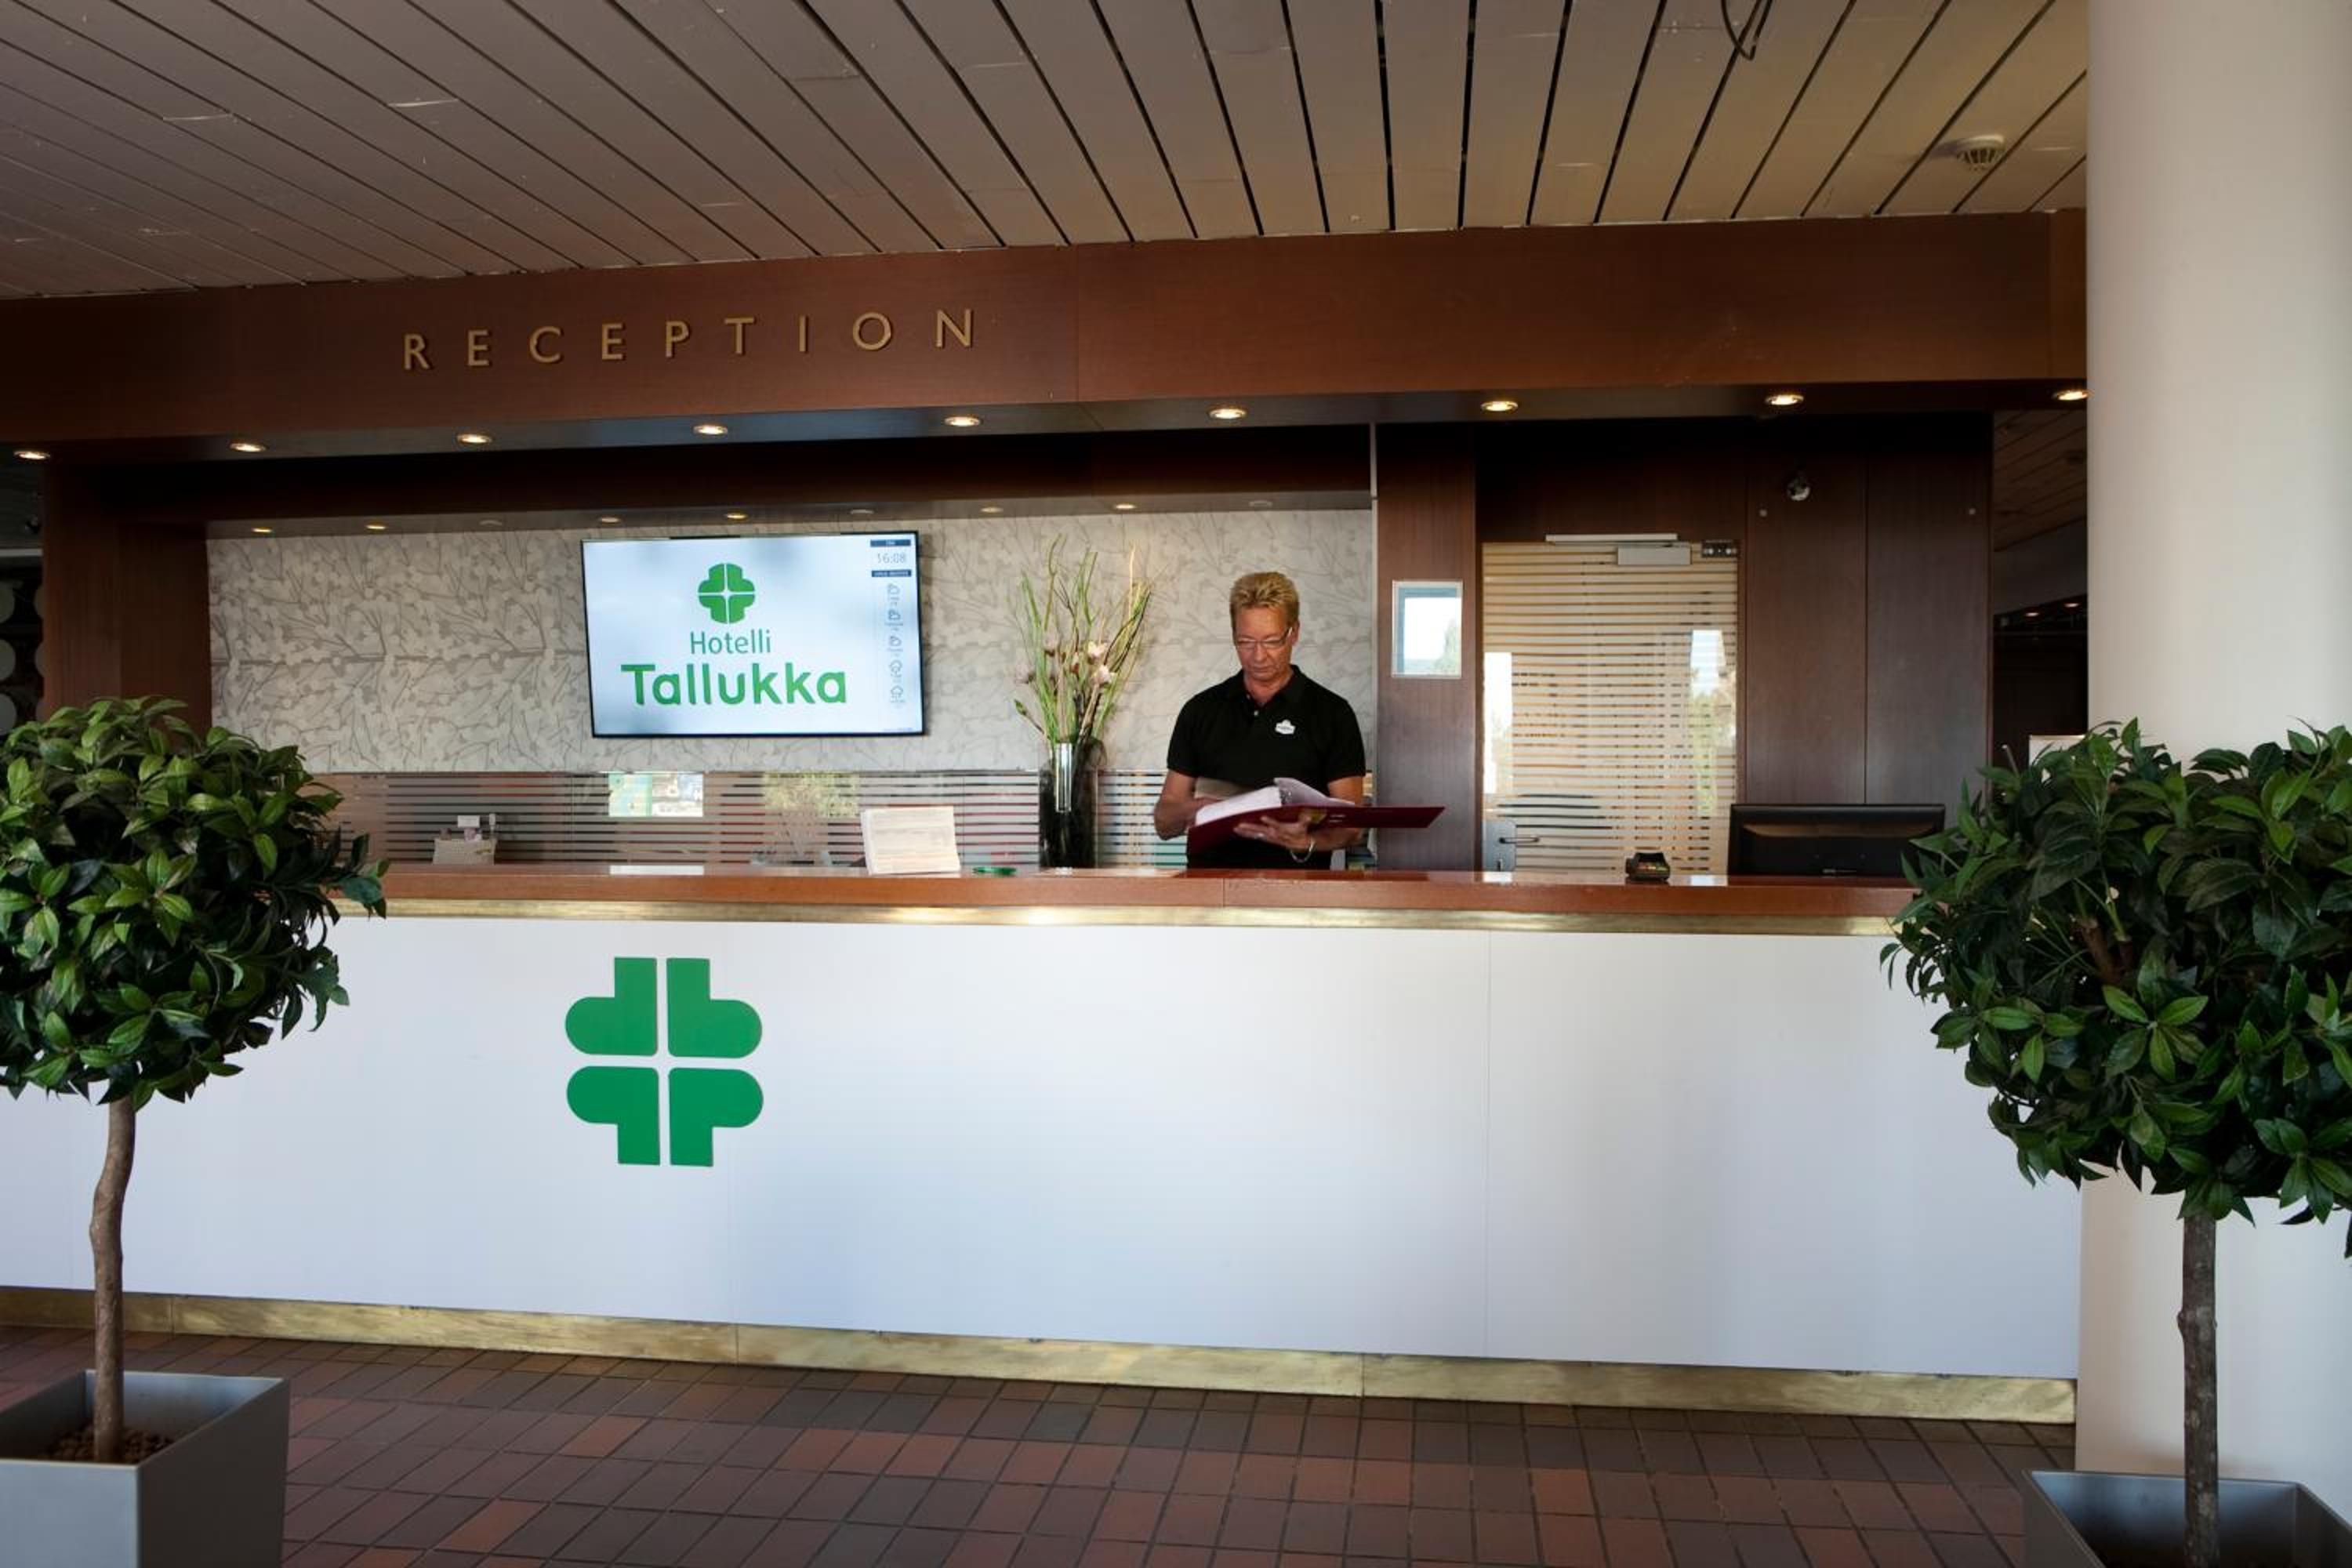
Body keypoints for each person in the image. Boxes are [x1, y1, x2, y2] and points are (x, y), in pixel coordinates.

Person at [1155, 571, 1367, 869]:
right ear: (1233, 636)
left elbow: (1352, 826)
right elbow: (1164, 823)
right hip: (1210, 887)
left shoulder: (1332, 713)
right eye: (1245, 642)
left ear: (1294, 633)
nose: (1258, 656)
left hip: (1298, 888)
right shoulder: (1200, 710)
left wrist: (1307, 841)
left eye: (1271, 641)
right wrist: (1198, 808)